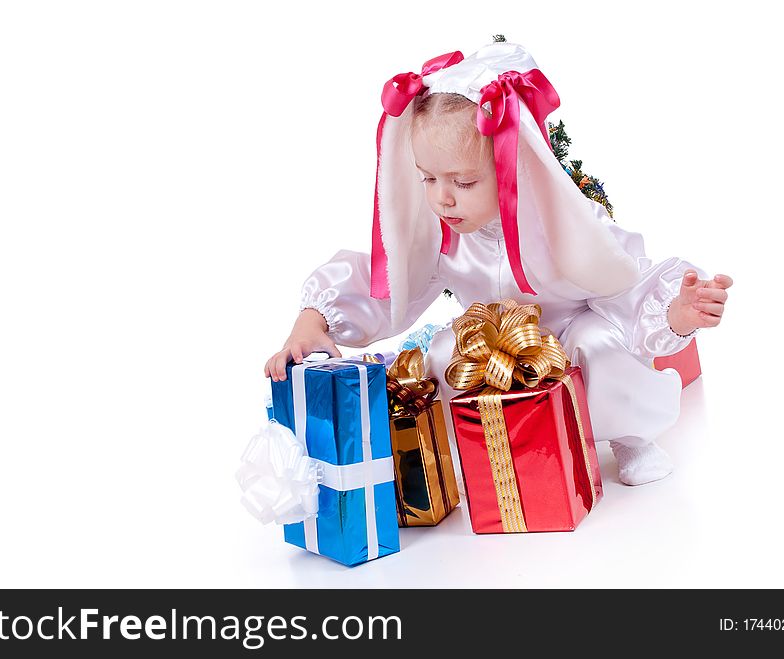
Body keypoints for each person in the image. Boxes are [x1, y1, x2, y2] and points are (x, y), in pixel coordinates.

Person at [264, 40, 733, 486]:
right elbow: (385, 280)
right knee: (445, 354)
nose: (442, 198)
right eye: (428, 178)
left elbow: (625, 281)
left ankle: (631, 437)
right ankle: (481, 446)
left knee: (600, 345)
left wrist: (678, 310)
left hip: (569, 334)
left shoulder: (562, 222)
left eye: (463, 182)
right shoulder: (446, 236)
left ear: (513, 168)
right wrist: (314, 319)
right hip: (494, 342)